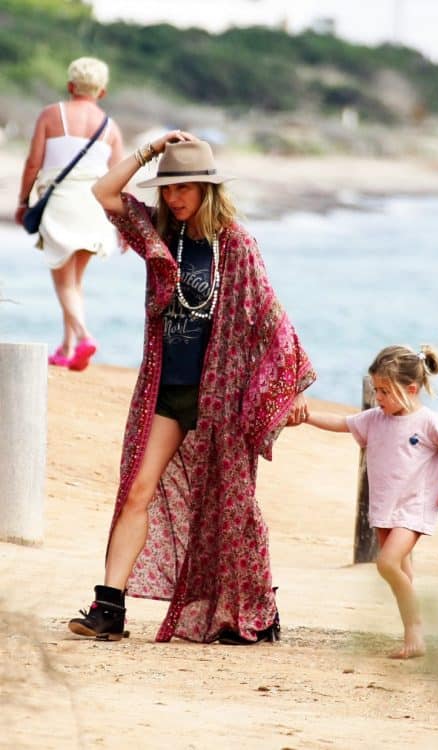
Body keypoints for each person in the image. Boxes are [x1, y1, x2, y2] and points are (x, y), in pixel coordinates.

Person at [68, 133, 315, 644]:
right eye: (167, 188)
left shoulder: (236, 243)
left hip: (222, 395)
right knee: (137, 489)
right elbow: (105, 194)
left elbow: (270, 317)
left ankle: (255, 610)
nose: (174, 197)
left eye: (184, 188)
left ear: (207, 189)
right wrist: (150, 151)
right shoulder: (160, 233)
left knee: (233, 505)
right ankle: (108, 608)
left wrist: (289, 387)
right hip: (167, 390)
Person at [299, 344, 438, 659]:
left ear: (411, 389)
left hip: (414, 507)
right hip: (384, 509)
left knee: (387, 563)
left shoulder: (428, 421)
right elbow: (342, 423)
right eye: (376, 390)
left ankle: (415, 628)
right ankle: (413, 637)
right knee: (402, 573)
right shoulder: (376, 419)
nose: (378, 397)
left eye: (385, 392)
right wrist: (306, 417)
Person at [15, 56, 124, 371]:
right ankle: (69, 348)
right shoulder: (110, 127)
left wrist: (24, 201)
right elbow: (117, 179)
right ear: (102, 92)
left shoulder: (51, 114)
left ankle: (84, 336)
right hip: (93, 207)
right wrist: (123, 224)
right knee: (74, 281)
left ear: (70, 85)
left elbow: (33, 163)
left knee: (63, 281)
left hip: (61, 203)